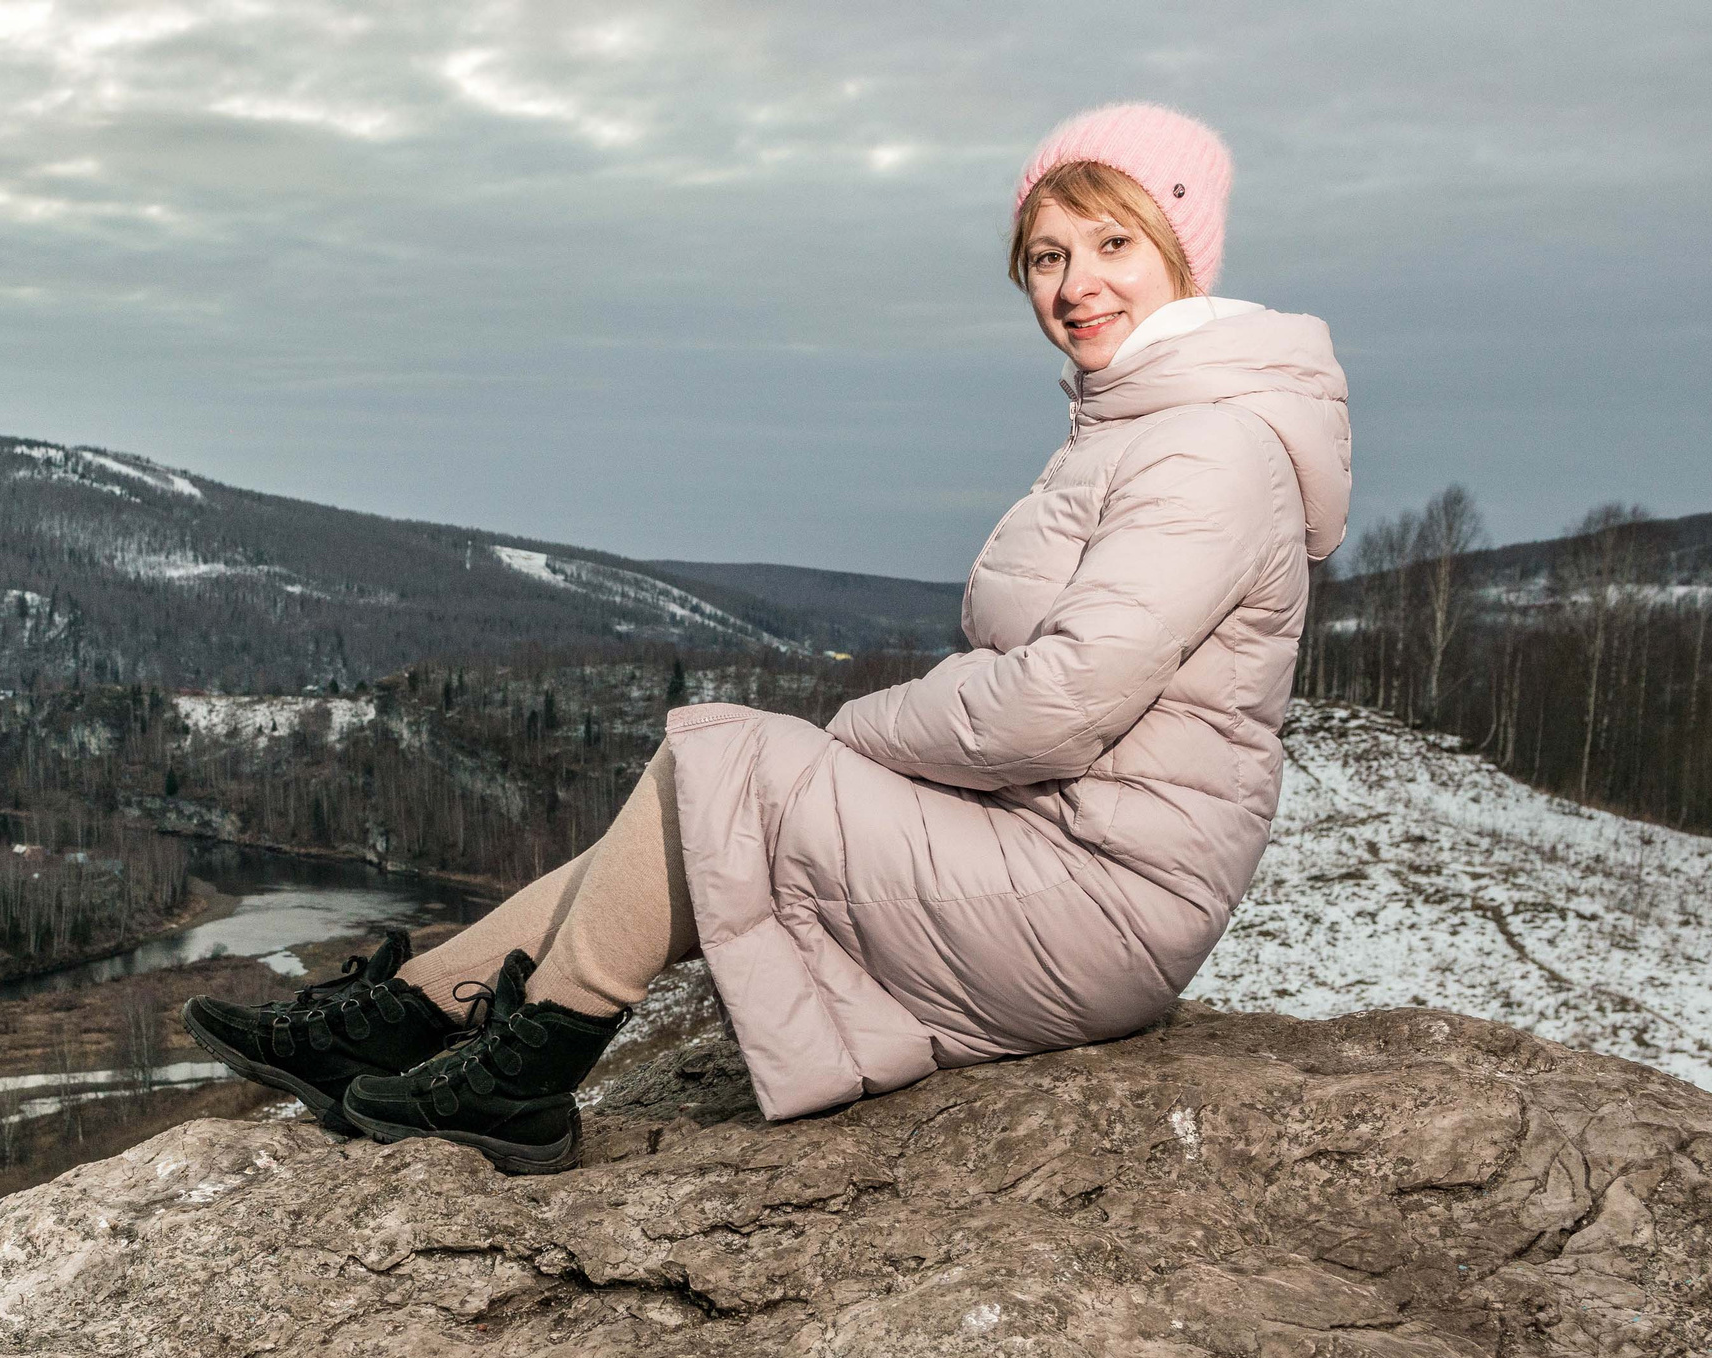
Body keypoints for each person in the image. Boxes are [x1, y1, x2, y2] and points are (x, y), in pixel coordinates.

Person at [185, 102, 1350, 1175]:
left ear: (1186, 252)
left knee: (729, 760)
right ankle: (416, 1016)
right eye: (1046, 256)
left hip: (1100, 900)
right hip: (1044, 856)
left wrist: (857, 730)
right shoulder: (1136, 428)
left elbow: (1059, 699)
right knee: (715, 789)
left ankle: (525, 1070)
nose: (1072, 283)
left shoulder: (1207, 447)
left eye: (1111, 245)